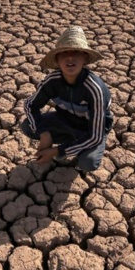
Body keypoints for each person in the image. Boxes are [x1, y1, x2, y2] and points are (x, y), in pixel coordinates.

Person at [21, 26, 113, 172]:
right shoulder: (52, 80)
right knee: (28, 126)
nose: (70, 57)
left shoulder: (94, 89)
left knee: (88, 163)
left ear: (85, 59)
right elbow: (30, 105)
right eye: (64, 53)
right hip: (64, 121)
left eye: (76, 52)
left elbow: (95, 136)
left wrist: (57, 151)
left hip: (89, 129)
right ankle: (70, 142)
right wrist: (44, 133)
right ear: (57, 60)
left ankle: (74, 146)